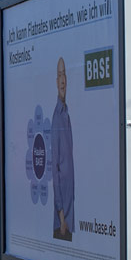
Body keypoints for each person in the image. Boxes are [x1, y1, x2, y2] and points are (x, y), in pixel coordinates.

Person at [52, 57, 74, 241]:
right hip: (63, 222)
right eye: (59, 75)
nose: (62, 79)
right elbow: (55, 169)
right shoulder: (57, 118)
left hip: (70, 213)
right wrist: (61, 215)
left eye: (64, 74)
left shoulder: (67, 113)